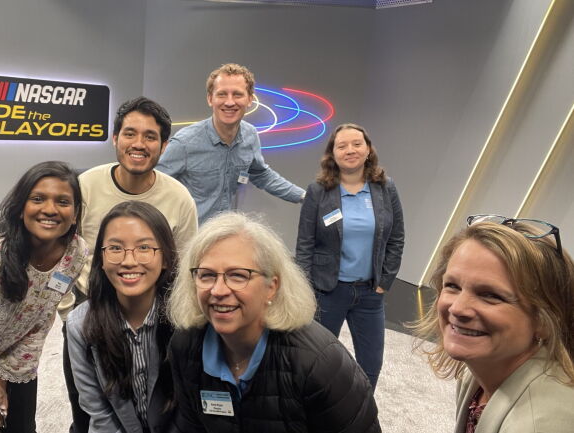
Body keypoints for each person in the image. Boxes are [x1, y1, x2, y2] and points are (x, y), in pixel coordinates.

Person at [168, 212, 380, 432]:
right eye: (207, 275)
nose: (218, 290)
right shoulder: (186, 346)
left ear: (272, 287)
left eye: (238, 275)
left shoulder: (319, 363)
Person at [62, 97, 197, 432]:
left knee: (160, 402)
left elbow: (185, 268)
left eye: (150, 136)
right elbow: (62, 252)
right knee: (88, 406)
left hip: (156, 313)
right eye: (130, 133)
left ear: (164, 146)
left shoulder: (179, 198)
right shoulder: (85, 187)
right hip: (93, 308)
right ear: (115, 138)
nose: (139, 144)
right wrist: (68, 313)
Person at [412, 215, 574, 432]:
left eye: (490, 295)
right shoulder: (479, 371)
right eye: (452, 286)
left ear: (544, 320)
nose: (457, 308)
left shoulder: (540, 424)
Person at [0, 161, 88, 433]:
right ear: (20, 208)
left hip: (17, 354)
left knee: (23, 426)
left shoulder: (75, 253)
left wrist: (3, 377)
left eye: (63, 201)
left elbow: (41, 319)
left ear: (75, 214)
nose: (50, 209)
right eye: (38, 199)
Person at [295, 122, 404, 389]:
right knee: (315, 359)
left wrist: (384, 282)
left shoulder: (385, 188)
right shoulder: (318, 191)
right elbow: (305, 245)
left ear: (368, 150)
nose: (350, 150)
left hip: (370, 293)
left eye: (357, 144)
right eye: (342, 146)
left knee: (371, 365)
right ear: (332, 154)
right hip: (327, 291)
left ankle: (360, 410)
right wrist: (305, 289)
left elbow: (396, 237)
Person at [67, 201, 176, 432]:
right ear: (101, 259)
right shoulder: (80, 324)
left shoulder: (185, 319)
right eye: (115, 248)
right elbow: (98, 411)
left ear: (165, 258)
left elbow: (191, 409)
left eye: (144, 247)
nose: (129, 261)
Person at [156, 63, 305, 224]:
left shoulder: (250, 136)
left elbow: (261, 175)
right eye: (222, 94)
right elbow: (153, 184)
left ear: (250, 99)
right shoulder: (185, 143)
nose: (229, 102)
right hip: (192, 236)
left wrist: (304, 196)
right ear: (210, 99)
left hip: (225, 233)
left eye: (237, 94)